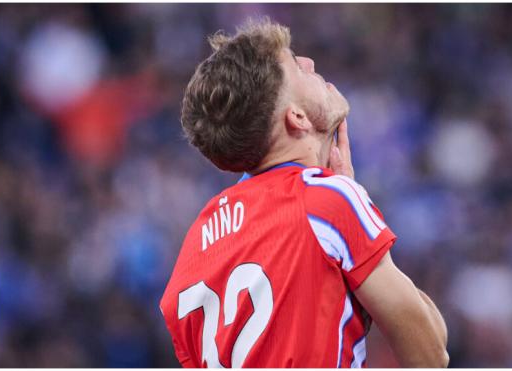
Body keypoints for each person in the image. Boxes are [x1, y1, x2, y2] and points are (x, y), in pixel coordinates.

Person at [159, 18, 449, 368]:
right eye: (296, 65)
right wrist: (353, 207)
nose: (310, 64)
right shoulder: (326, 202)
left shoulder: (194, 242)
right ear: (296, 117)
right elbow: (431, 354)